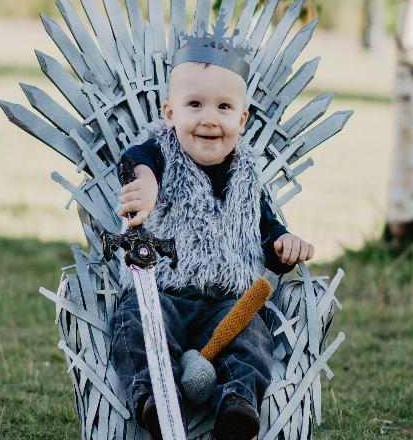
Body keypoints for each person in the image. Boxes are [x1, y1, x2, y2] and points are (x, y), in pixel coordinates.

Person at [111, 58, 315, 440]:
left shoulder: (248, 178)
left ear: (242, 119)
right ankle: (158, 398)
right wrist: (146, 185)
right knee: (137, 320)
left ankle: (236, 404)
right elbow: (134, 160)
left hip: (227, 304)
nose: (209, 119)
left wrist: (284, 245)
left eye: (224, 107)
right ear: (170, 114)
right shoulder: (159, 153)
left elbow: (267, 233)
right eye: (195, 105)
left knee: (253, 335)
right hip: (165, 293)